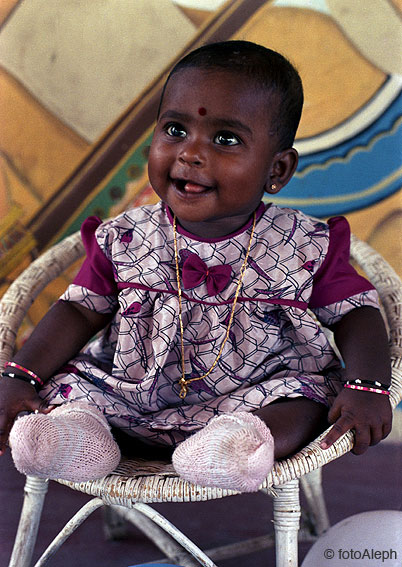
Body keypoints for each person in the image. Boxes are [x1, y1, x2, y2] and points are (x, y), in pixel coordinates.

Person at [0, 41, 392, 492]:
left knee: (305, 400)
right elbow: (78, 309)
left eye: (225, 139)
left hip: (253, 397)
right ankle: (77, 439)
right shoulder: (125, 236)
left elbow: (357, 314)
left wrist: (366, 385)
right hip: (130, 394)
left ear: (277, 170)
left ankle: (236, 447)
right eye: (175, 129)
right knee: (74, 389)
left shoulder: (304, 245)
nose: (190, 153)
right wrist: (18, 374)